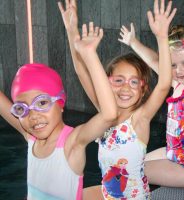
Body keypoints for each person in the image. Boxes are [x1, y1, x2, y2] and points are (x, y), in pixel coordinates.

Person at [60, 0, 175, 198]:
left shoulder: (140, 119)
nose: (125, 88)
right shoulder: (105, 114)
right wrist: (72, 31)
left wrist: (162, 37)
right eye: (118, 80)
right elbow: (81, 71)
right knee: (67, 194)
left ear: (142, 88)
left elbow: (164, 83)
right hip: (108, 194)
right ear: (106, 82)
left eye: (133, 82)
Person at [0, 29, 117, 200]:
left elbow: (109, 114)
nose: (33, 115)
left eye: (42, 103)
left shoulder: (72, 142)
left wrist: (90, 56)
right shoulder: (31, 137)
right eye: (22, 108)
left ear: (61, 103)